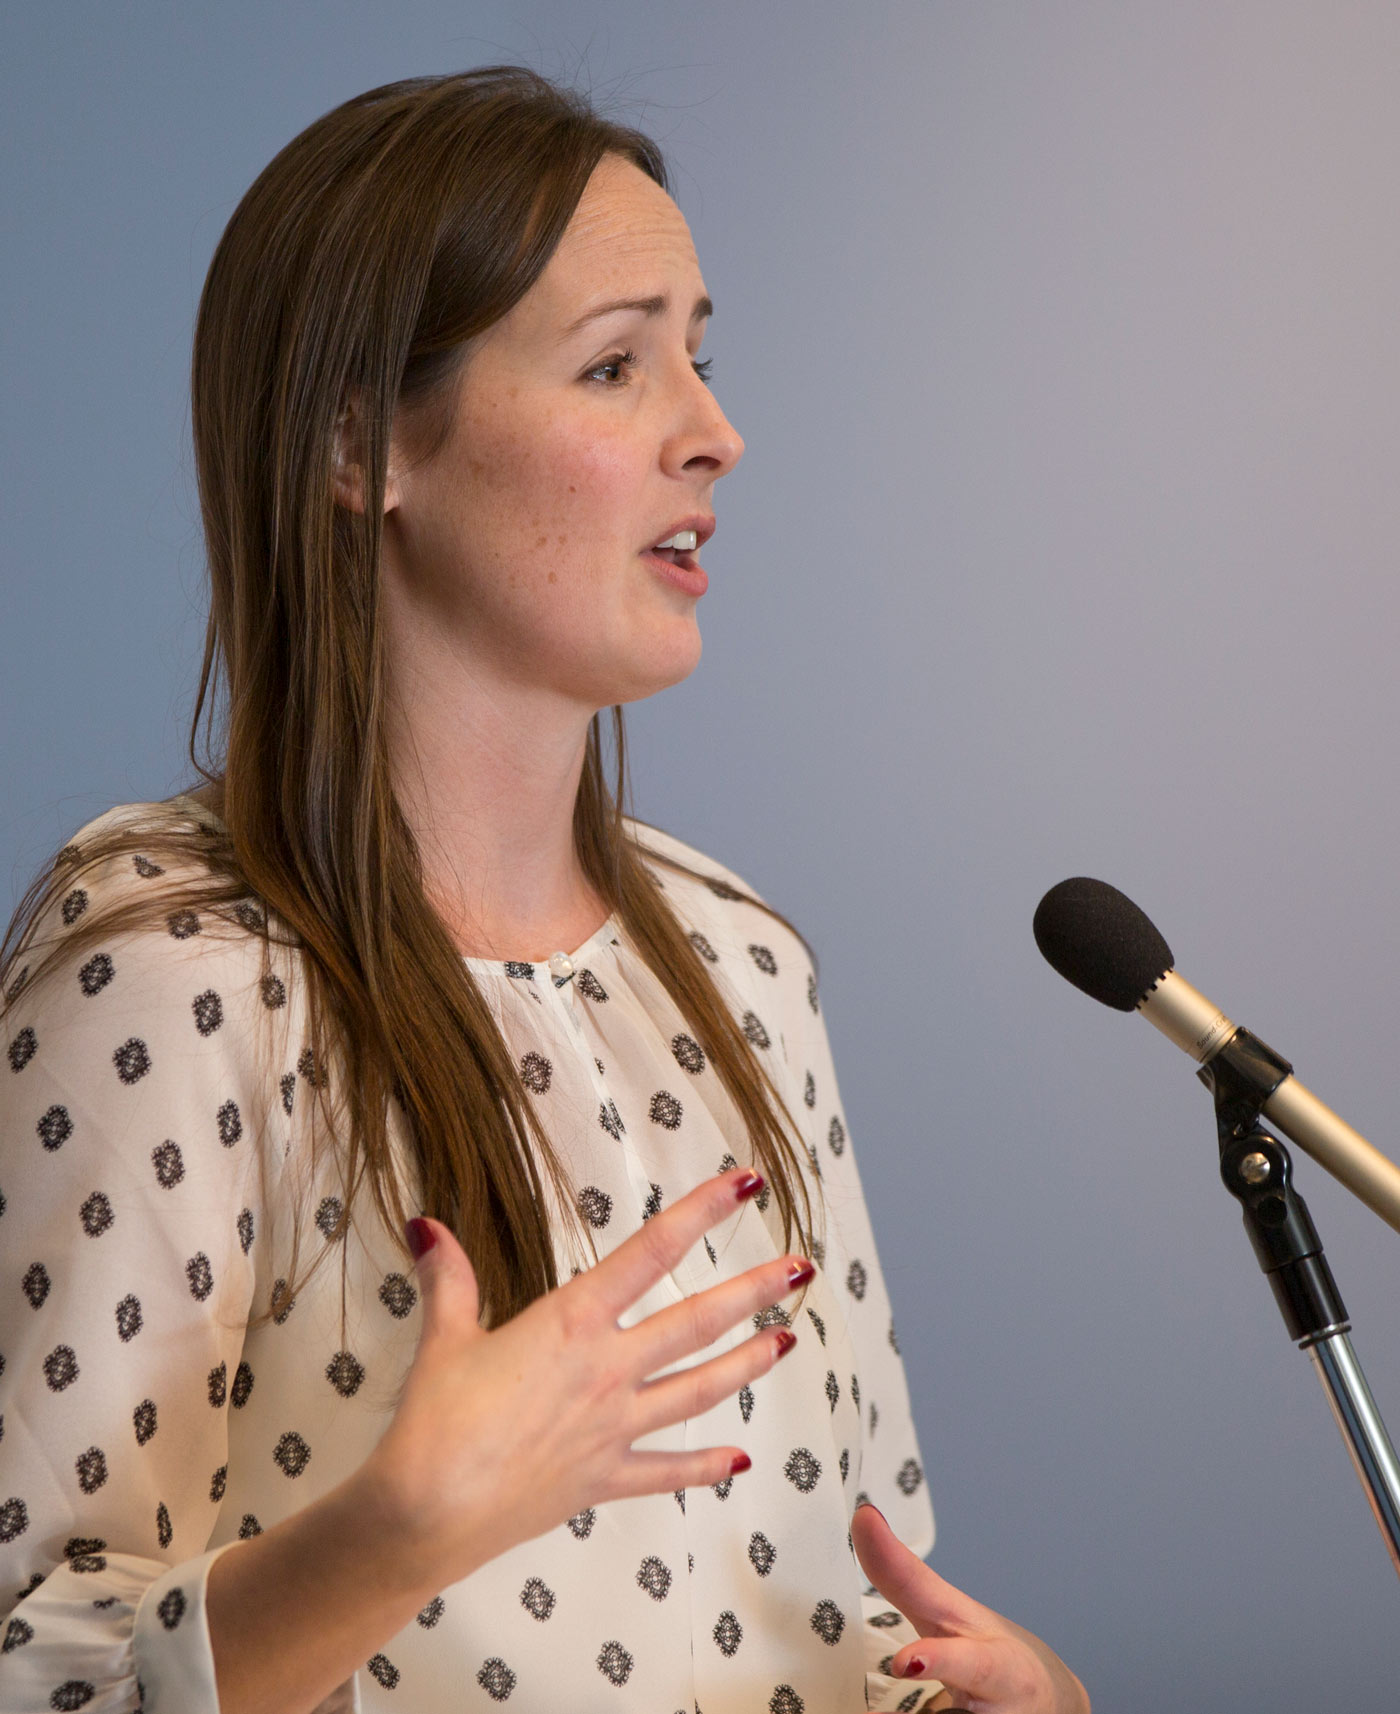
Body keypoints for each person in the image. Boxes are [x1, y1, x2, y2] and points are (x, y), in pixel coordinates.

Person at [0, 67, 1089, 1714]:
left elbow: (865, 1579)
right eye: (614, 363)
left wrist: (1019, 1691)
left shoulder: (744, 961)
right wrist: (400, 1529)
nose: (713, 430)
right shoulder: (170, 966)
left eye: (700, 353)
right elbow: (34, 1655)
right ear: (365, 441)